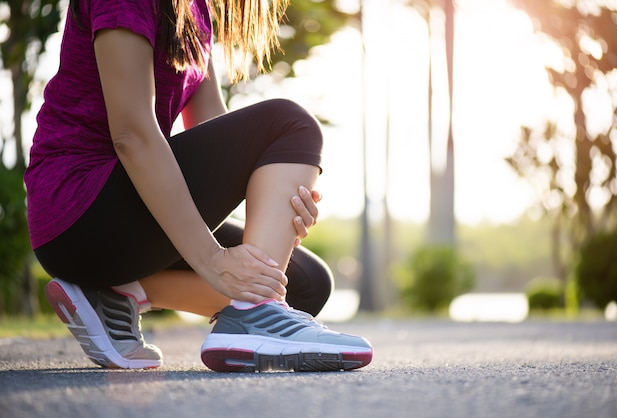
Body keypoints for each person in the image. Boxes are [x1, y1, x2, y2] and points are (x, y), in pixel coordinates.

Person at [24, 0, 373, 372]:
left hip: (119, 223)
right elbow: (133, 135)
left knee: (304, 283)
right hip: (79, 210)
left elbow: (213, 127)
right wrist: (213, 261)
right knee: (289, 123)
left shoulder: (193, 8)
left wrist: (276, 208)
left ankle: (111, 293)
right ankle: (252, 318)